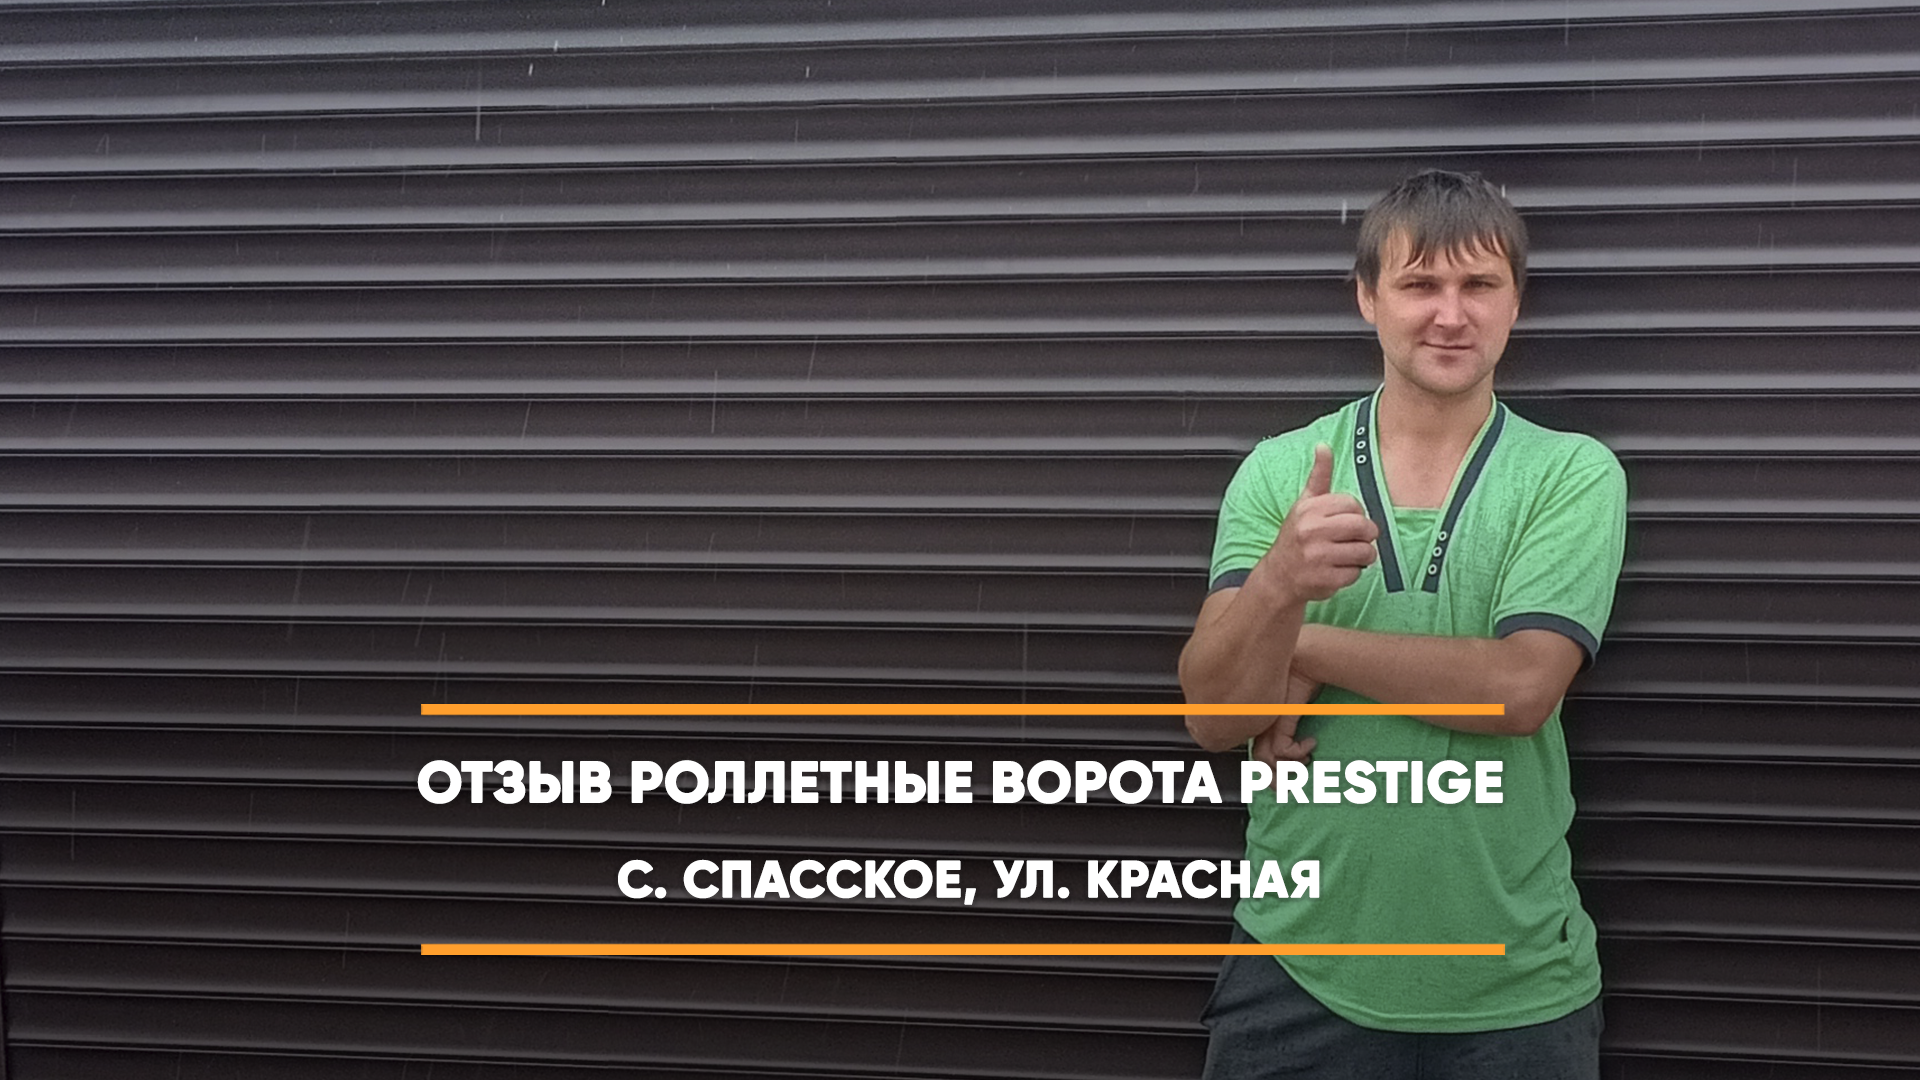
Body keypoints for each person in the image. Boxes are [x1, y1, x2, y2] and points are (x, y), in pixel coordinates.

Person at [1178, 169, 1626, 1079]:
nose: (1449, 315)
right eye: (1420, 284)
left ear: (1515, 301)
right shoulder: (1280, 472)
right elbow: (1216, 719)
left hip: (1516, 991)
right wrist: (1277, 582)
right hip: (1296, 974)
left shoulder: (1570, 474)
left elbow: (1518, 692)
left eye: (1479, 284)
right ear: (1367, 297)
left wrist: (1299, 639)